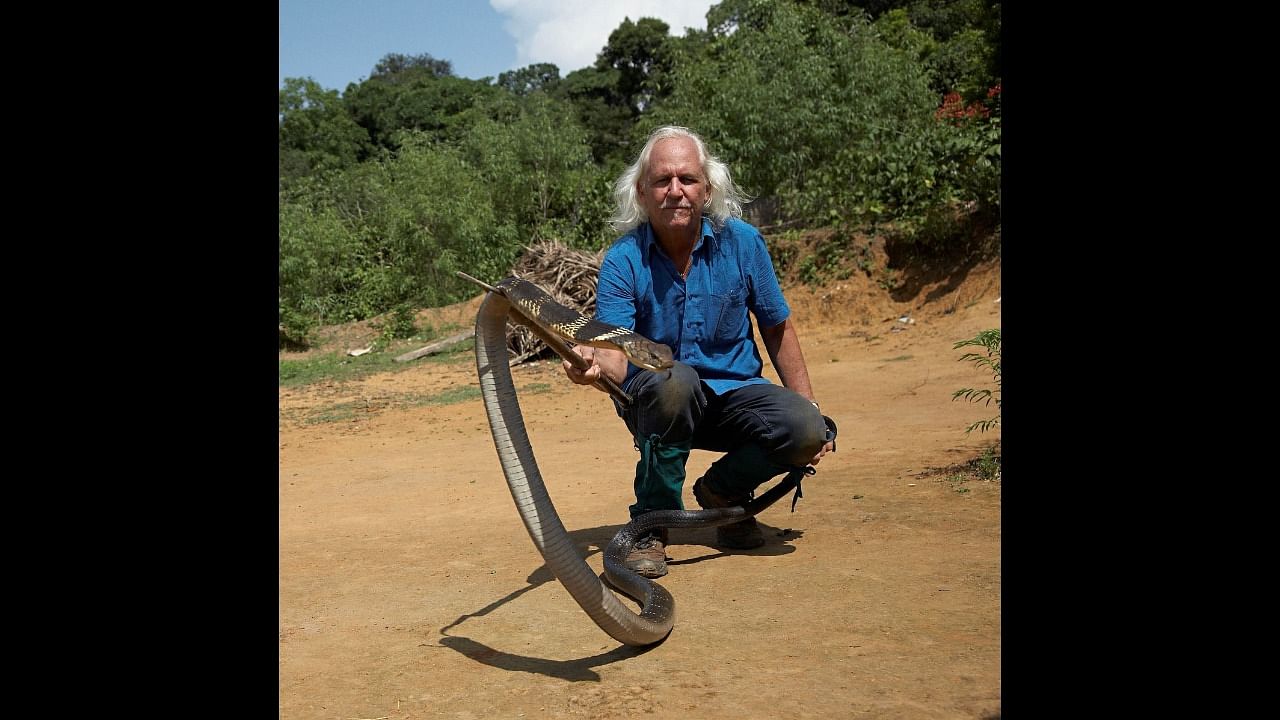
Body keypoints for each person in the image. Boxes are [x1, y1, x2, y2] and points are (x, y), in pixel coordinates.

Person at [563, 125, 834, 578]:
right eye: (661, 181)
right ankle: (652, 522)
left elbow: (776, 325)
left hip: (735, 397)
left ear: (707, 189)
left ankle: (724, 495)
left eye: (686, 179)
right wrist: (591, 365)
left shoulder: (743, 243)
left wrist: (811, 405)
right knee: (675, 379)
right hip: (660, 401)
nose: (675, 191)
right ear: (641, 193)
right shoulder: (623, 259)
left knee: (806, 428)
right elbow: (612, 349)